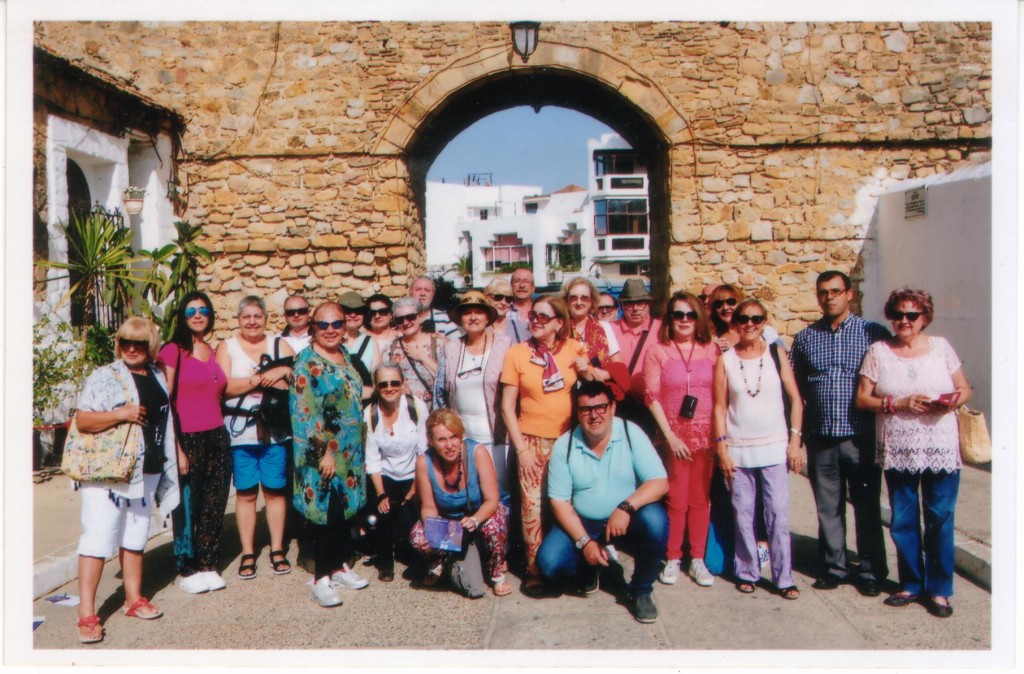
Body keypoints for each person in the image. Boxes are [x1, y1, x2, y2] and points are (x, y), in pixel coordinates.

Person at [856, 287, 971, 619]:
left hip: (939, 445)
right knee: (904, 520)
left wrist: (950, 401)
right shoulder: (879, 350)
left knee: (939, 519)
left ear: (925, 318)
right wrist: (897, 403)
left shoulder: (941, 347)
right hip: (899, 447)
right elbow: (863, 399)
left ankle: (938, 589)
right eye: (898, 315)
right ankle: (910, 583)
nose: (904, 321)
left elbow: (964, 388)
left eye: (912, 315)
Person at [73, 317, 180, 644]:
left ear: (152, 347)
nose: (132, 348)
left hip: (146, 468)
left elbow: (166, 418)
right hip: (109, 471)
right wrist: (121, 414)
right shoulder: (104, 376)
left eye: (140, 343)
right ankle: (87, 614)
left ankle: (133, 599)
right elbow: (83, 419)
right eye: (125, 342)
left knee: (136, 534)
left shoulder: (159, 374)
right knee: (98, 536)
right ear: (118, 344)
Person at [791, 271, 890, 597]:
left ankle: (872, 570)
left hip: (860, 435)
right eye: (823, 292)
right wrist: (798, 435)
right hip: (821, 436)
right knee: (827, 507)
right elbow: (796, 388)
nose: (829, 297)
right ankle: (834, 568)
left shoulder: (873, 333)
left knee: (866, 506)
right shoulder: (806, 338)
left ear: (849, 294)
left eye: (835, 291)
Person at [537, 380, 669, 623]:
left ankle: (640, 591)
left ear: (612, 408)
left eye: (600, 407)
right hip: (584, 522)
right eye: (586, 409)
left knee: (656, 520)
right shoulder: (565, 445)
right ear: (578, 413)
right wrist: (585, 542)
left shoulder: (631, 432)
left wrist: (626, 507)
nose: (594, 415)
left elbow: (659, 482)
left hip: (625, 519)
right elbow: (560, 502)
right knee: (549, 564)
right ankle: (590, 565)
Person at [500, 294, 594, 595]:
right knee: (532, 507)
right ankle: (534, 570)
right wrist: (522, 449)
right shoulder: (517, 353)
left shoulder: (574, 349)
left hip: (569, 441)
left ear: (559, 322)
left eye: (543, 317)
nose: (536, 321)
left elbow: (592, 390)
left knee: (572, 503)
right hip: (531, 440)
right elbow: (506, 407)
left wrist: (587, 369)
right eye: (534, 316)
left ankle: (579, 564)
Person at [712, 299, 804, 600]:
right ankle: (747, 571)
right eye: (743, 319)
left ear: (764, 322)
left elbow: (796, 400)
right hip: (738, 448)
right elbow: (719, 407)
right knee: (743, 512)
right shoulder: (725, 360)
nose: (749, 324)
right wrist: (722, 449)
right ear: (735, 323)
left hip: (775, 445)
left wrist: (794, 442)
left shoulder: (777, 354)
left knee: (778, 513)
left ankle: (783, 577)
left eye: (756, 318)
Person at [290, 302, 371, 606]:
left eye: (336, 323)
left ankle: (338, 567)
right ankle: (320, 577)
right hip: (321, 453)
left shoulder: (344, 355)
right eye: (323, 325)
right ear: (312, 327)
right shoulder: (306, 365)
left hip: (348, 452)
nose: (330, 330)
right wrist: (322, 453)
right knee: (325, 512)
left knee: (342, 511)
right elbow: (304, 415)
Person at [215, 296, 295, 580]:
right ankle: (248, 551)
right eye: (246, 316)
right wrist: (258, 380)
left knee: (274, 491)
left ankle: (276, 549)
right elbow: (222, 386)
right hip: (240, 430)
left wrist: (283, 370)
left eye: (257, 316)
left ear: (265, 318)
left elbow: (297, 372)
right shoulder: (228, 347)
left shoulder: (278, 344)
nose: (252, 321)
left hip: (274, 430)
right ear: (238, 319)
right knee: (247, 493)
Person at [158, 291, 231, 595]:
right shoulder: (173, 350)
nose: (198, 315)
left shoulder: (211, 350)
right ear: (182, 317)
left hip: (216, 434)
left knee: (214, 502)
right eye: (191, 312)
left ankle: (208, 563)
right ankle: (187, 567)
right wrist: (177, 449)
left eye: (203, 310)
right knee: (188, 505)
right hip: (187, 436)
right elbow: (166, 402)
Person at [644, 291, 718, 587]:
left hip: (705, 435)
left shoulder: (712, 349)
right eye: (678, 314)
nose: (684, 320)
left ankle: (697, 558)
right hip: (674, 435)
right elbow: (651, 396)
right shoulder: (658, 351)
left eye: (690, 314)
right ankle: (673, 556)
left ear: (698, 317)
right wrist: (670, 435)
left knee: (700, 499)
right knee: (676, 499)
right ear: (669, 319)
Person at [410, 410, 511, 596]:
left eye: (454, 437)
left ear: (461, 436)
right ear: (430, 441)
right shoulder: (424, 462)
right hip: (452, 526)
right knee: (418, 535)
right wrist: (434, 534)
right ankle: (440, 560)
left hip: (479, 518)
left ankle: (496, 573)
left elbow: (492, 501)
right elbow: (428, 507)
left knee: (494, 524)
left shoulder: (477, 452)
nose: (449, 445)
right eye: (441, 440)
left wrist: (474, 520)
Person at [434, 291, 514, 503]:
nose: (473, 317)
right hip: (462, 439)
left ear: (488, 317)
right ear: (460, 319)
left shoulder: (505, 345)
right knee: (469, 494)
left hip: (497, 438)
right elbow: (440, 392)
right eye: (467, 313)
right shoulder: (451, 347)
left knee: (500, 495)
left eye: (479, 312)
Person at [365, 363, 429, 581]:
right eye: (383, 384)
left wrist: (414, 490)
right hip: (385, 473)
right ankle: (385, 563)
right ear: (376, 387)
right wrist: (381, 494)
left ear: (403, 384)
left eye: (395, 383)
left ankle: (413, 554)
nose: (389, 387)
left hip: (414, 471)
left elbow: (424, 451)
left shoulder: (416, 407)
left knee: (410, 519)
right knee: (382, 514)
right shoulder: (370, 414)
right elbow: (372, 459)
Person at [610, 278, 661, 434]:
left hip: (651, 406)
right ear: (622, 306)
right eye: (630, 304)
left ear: (648, 305)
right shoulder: (610, 330)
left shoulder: (661, 328)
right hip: (620, 404)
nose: (636, 309)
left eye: (641, 303)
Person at [387, 296, 445, 406]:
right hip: (403, 409)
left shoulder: (438, 345)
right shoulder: (390, 348)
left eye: (411, 317)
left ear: (421, 317)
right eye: (400, 319)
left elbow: (446, 379)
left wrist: (422, 357)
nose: (406, 322)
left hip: (433, 410)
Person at [563, 277, 623, 382]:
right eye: (573, 298)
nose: (578, 302)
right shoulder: (560, 328)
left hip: (598, 389)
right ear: (567, 301)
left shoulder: (604, 327)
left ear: (591, 301)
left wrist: (602, 374)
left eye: (584, 298)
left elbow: (619, 365)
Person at [339, 291, 381, 403]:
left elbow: (377, 379)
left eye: (358, 311)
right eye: (347, 311)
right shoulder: (332, 342)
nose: (353, 315)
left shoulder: (370, 343)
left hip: (365, 406)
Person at [486, 277, 528, 344]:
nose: (503, 303)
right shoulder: (479, 329)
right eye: (498, 297)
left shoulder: (522, 329)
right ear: (487, 298)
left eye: (508, 299)